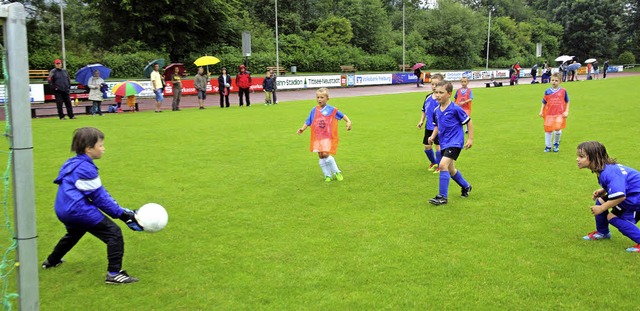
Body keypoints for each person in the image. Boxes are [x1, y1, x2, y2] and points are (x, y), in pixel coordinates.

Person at [41, 127, 143, 284]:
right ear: (89, 149)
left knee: (74, 233)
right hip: (78, 210)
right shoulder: (86, 169)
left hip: (63, 209)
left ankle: (51, 261)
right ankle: (114, 274)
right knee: (113, 233)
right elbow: (99, 198)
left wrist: (122, 211)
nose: (104, 149)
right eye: (100, 145)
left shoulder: (73, 162)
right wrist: (123, 215)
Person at [577, 141, 640, 252]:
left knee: (612, 218)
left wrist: (601, 209)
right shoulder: (605, 168)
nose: (577, 159)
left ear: (593, 157)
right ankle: (603, 232)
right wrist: (603, 190)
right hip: (631, 193)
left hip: (635, 198)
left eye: (581, 156)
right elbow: (621, 183)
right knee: (601, 200)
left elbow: (620, 196)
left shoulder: (608, 172)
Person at [427, 81, 473, 206]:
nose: (437, 95)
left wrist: (470, 139)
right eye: (436, 92)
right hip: (444, 143)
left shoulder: (455, 108)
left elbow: (468, 121)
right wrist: (432, 137)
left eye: (441, 92)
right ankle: (466, 186)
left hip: (455, 142)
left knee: (442, 165)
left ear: (449, 94)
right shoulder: (436, 110)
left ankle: (442, 197)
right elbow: (437, 126)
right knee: (450, 170)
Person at [297, 88, 352, 182]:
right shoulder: (314, 110)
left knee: (326, 154)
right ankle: (327, 175)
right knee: (321, 155)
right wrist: (302, 128)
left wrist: (348, 121)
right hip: (317, 137)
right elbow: (308, 121)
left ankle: (336, 172)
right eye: (318, 97)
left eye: (322, 97)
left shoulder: (332, 109)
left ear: (327, 98)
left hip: (327, 136)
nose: (319, 99)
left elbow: (342, 115)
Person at [417, 74, 444, 173]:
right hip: (428, 126)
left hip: (439, 127)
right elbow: (424, 109)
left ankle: (440, 166)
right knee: (427, 147)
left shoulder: (441, 98)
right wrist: (421, 121)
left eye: (436, 84)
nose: (433, 86)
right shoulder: (428, 97)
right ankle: (434, 162)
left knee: (438, 147)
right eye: (432, 84)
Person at [538, 72, 570, 153]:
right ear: (550, 81)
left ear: (560, 81)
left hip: (559, 114)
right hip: (549, 114)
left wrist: (566, 111)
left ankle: (556, 144)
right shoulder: (547, 91)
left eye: (556, 80)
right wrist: (541, 110)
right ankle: (548, 146)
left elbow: (567, 101)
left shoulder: (563, 91)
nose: (554, 82)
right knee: (548, 130)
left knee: (557, 130)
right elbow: (544, 101)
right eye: (552, 80)